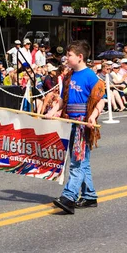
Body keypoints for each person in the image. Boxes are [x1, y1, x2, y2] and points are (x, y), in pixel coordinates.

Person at [46, 40, 105, 214]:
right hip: (69, 122)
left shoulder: (91, 76)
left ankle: (69, 197)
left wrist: (93, 117)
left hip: (82, 123)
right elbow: (63, 99)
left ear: (80, 57)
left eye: (69, 55)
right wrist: (53, 111)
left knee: (77, 162)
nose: (66, 57)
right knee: (82, 161)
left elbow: (100, 100)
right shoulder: (68, 76)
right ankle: (89, 196)